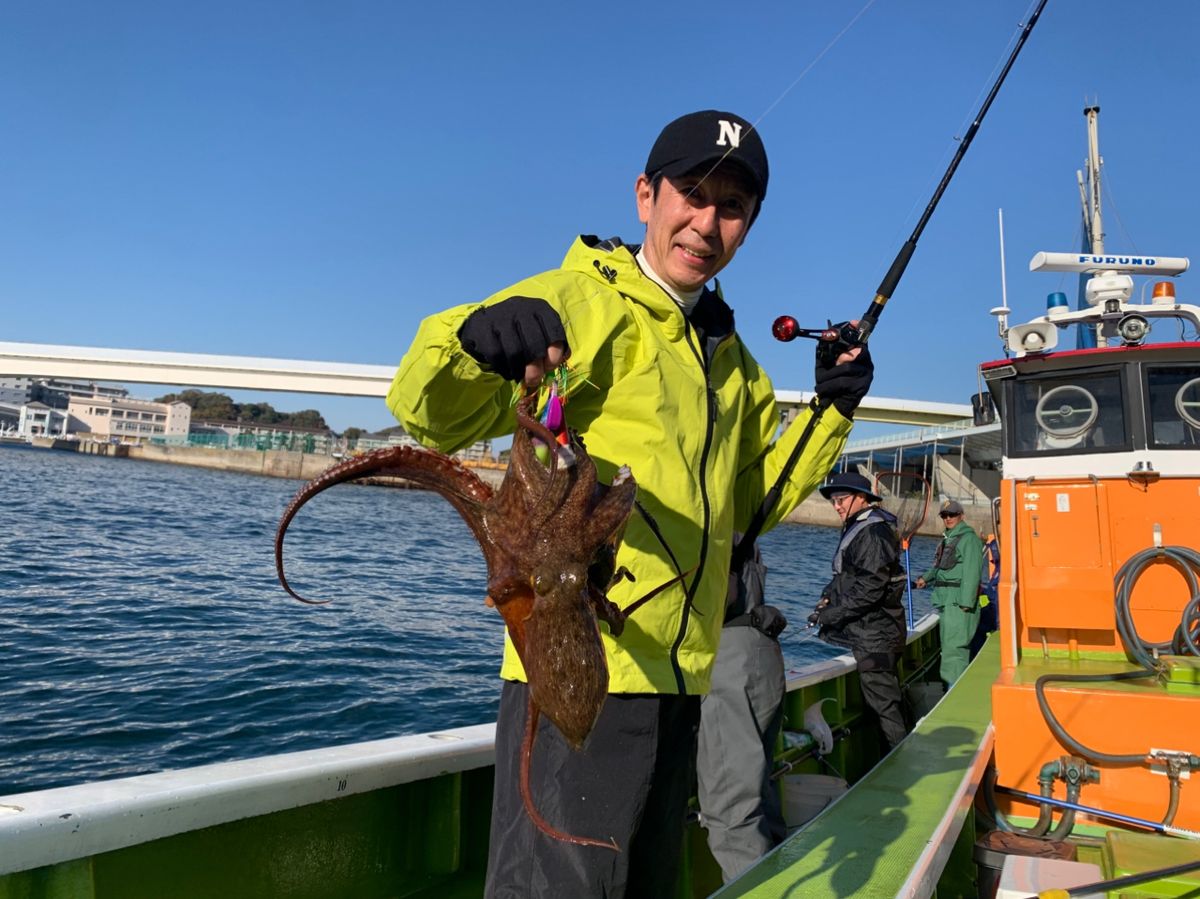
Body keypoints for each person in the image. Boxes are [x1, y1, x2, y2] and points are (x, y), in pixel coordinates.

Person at [386, 109, 874, 898]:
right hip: (582, 670)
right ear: (646, 195)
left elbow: (746, 510)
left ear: (749, 225)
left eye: (732, 207)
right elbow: (429, 412)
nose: (706, 223)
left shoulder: (737, 366)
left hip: (684, 683)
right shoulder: (583, 300)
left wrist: (830, 412)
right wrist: (470, 341)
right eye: (691, 193)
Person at [696, 535, 788, 884]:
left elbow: (721, 594)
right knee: (759, 794)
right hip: (758, 650)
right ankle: (777, 882)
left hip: (727, 655)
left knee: (733, 816)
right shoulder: (739, 505)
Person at [808, 472, 909, 750]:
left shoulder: (873, 533)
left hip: (877, 636)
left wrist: (830, 615)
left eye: (841, 499)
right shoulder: (861, 528)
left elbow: (870, 589)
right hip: (872, 634)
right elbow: (850, 576)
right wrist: (826, 598)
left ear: (861, 498)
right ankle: (889, 758)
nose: (837, 506)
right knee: (881, 701)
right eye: (833, 502)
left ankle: (901, 764)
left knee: (884, 706)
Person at [915, 500, 983, 686]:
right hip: (945, 601)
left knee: (955, 649)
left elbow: (972, 572)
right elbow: (939, 567)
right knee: (948, 648)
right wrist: (925, 579)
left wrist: (966, 604)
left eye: (952, 514)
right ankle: (951, 687)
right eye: (944, 515)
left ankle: (953, 690)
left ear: (961, 515)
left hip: (958, 603)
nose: (948, 518)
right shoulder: (949, 538)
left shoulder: (968, 539)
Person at [969, 528, 1001, 659]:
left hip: (997, 613)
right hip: (993, 607)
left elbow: (996, 594)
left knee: (976, 628)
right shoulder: (999, 568)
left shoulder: (1003, 570)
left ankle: (975, 658)